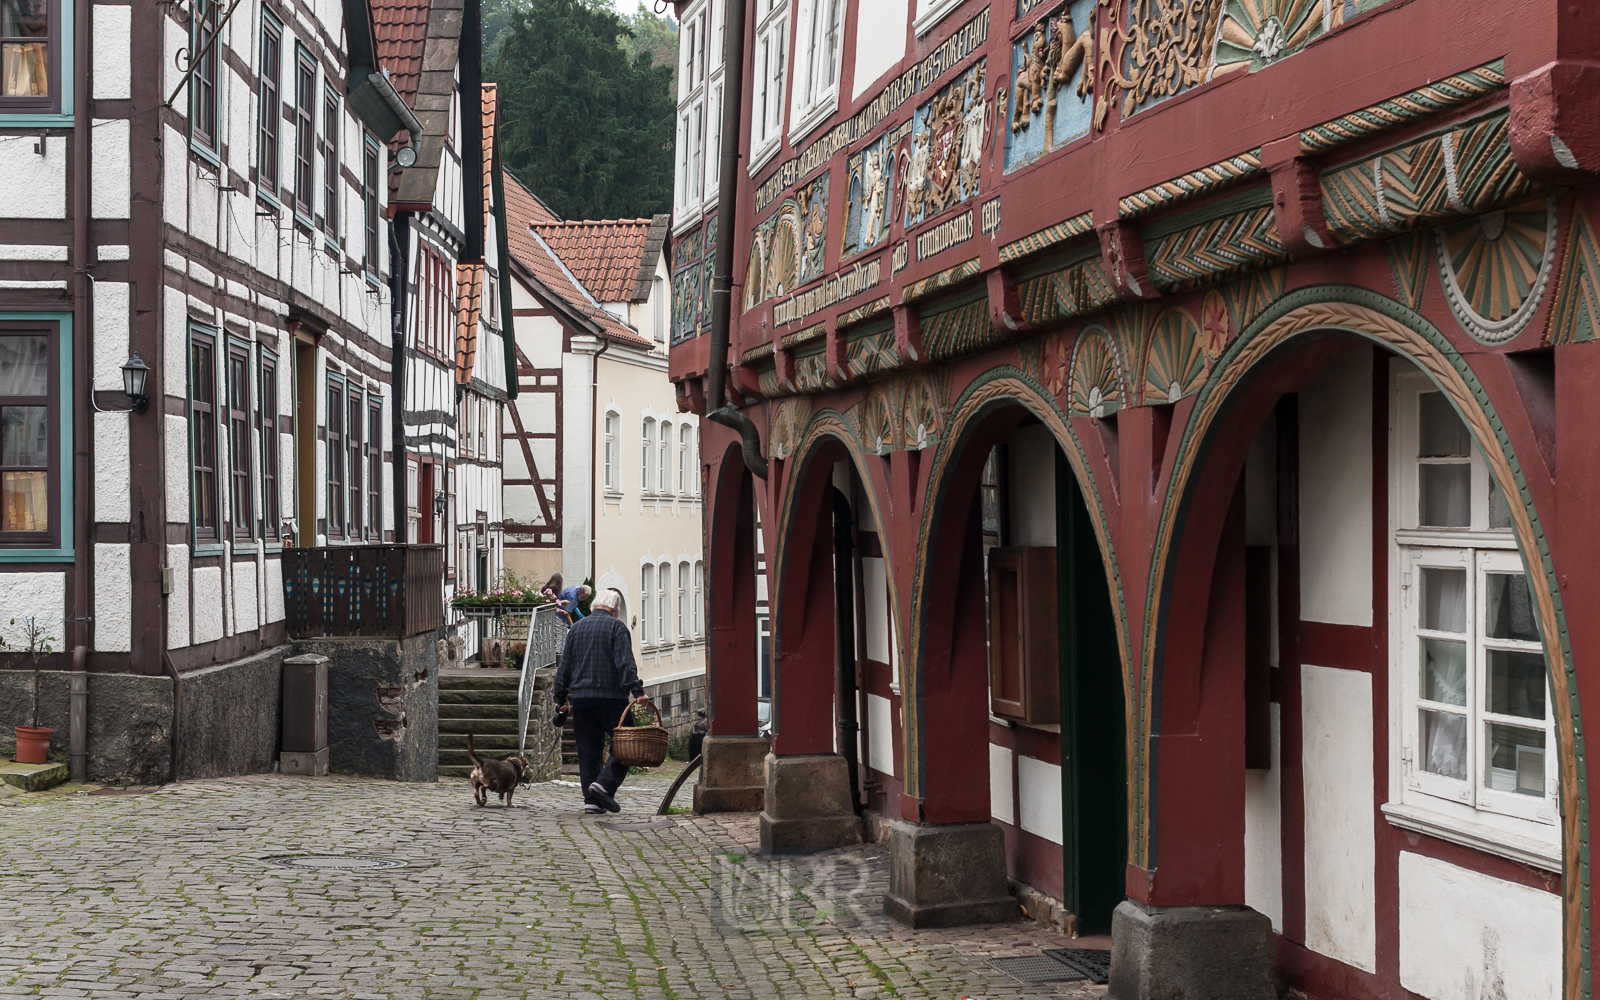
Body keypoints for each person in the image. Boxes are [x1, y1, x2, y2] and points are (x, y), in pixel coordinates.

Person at [552, 588, 654, 814]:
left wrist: (560, 698)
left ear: (594, 605)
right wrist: (637, 693)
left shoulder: (575, 629)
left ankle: (592, 801)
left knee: (588, 750)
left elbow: (564, 668)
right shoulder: (617, 627)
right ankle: (604, 784)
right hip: (612, 699)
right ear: (615, 608)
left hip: (581, 700)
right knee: (627, 746)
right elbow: (625, 664)